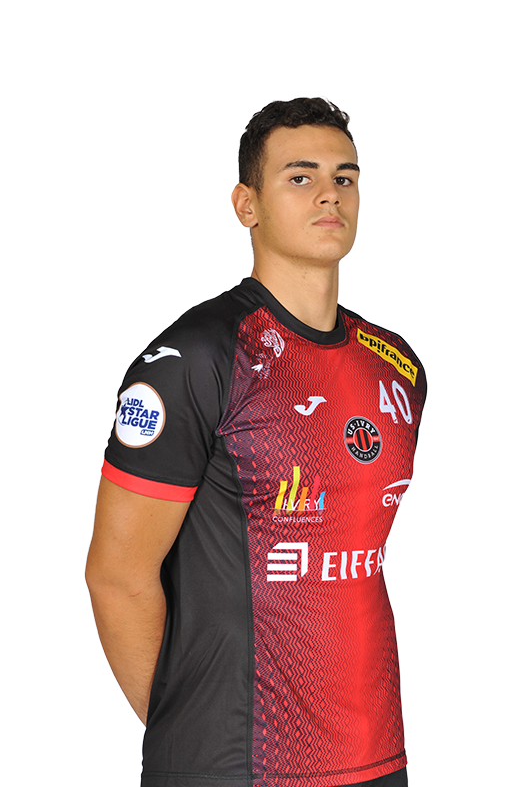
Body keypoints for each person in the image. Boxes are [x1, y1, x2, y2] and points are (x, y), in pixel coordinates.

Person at [85, 96, 427, 787]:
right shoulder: (197, 356)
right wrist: (188, 729)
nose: (329, 193)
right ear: (248, 205)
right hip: (233, 764)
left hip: (375, 756)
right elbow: (116, 577)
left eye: (345, 177)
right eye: (300, 177)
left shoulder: (398, 366)